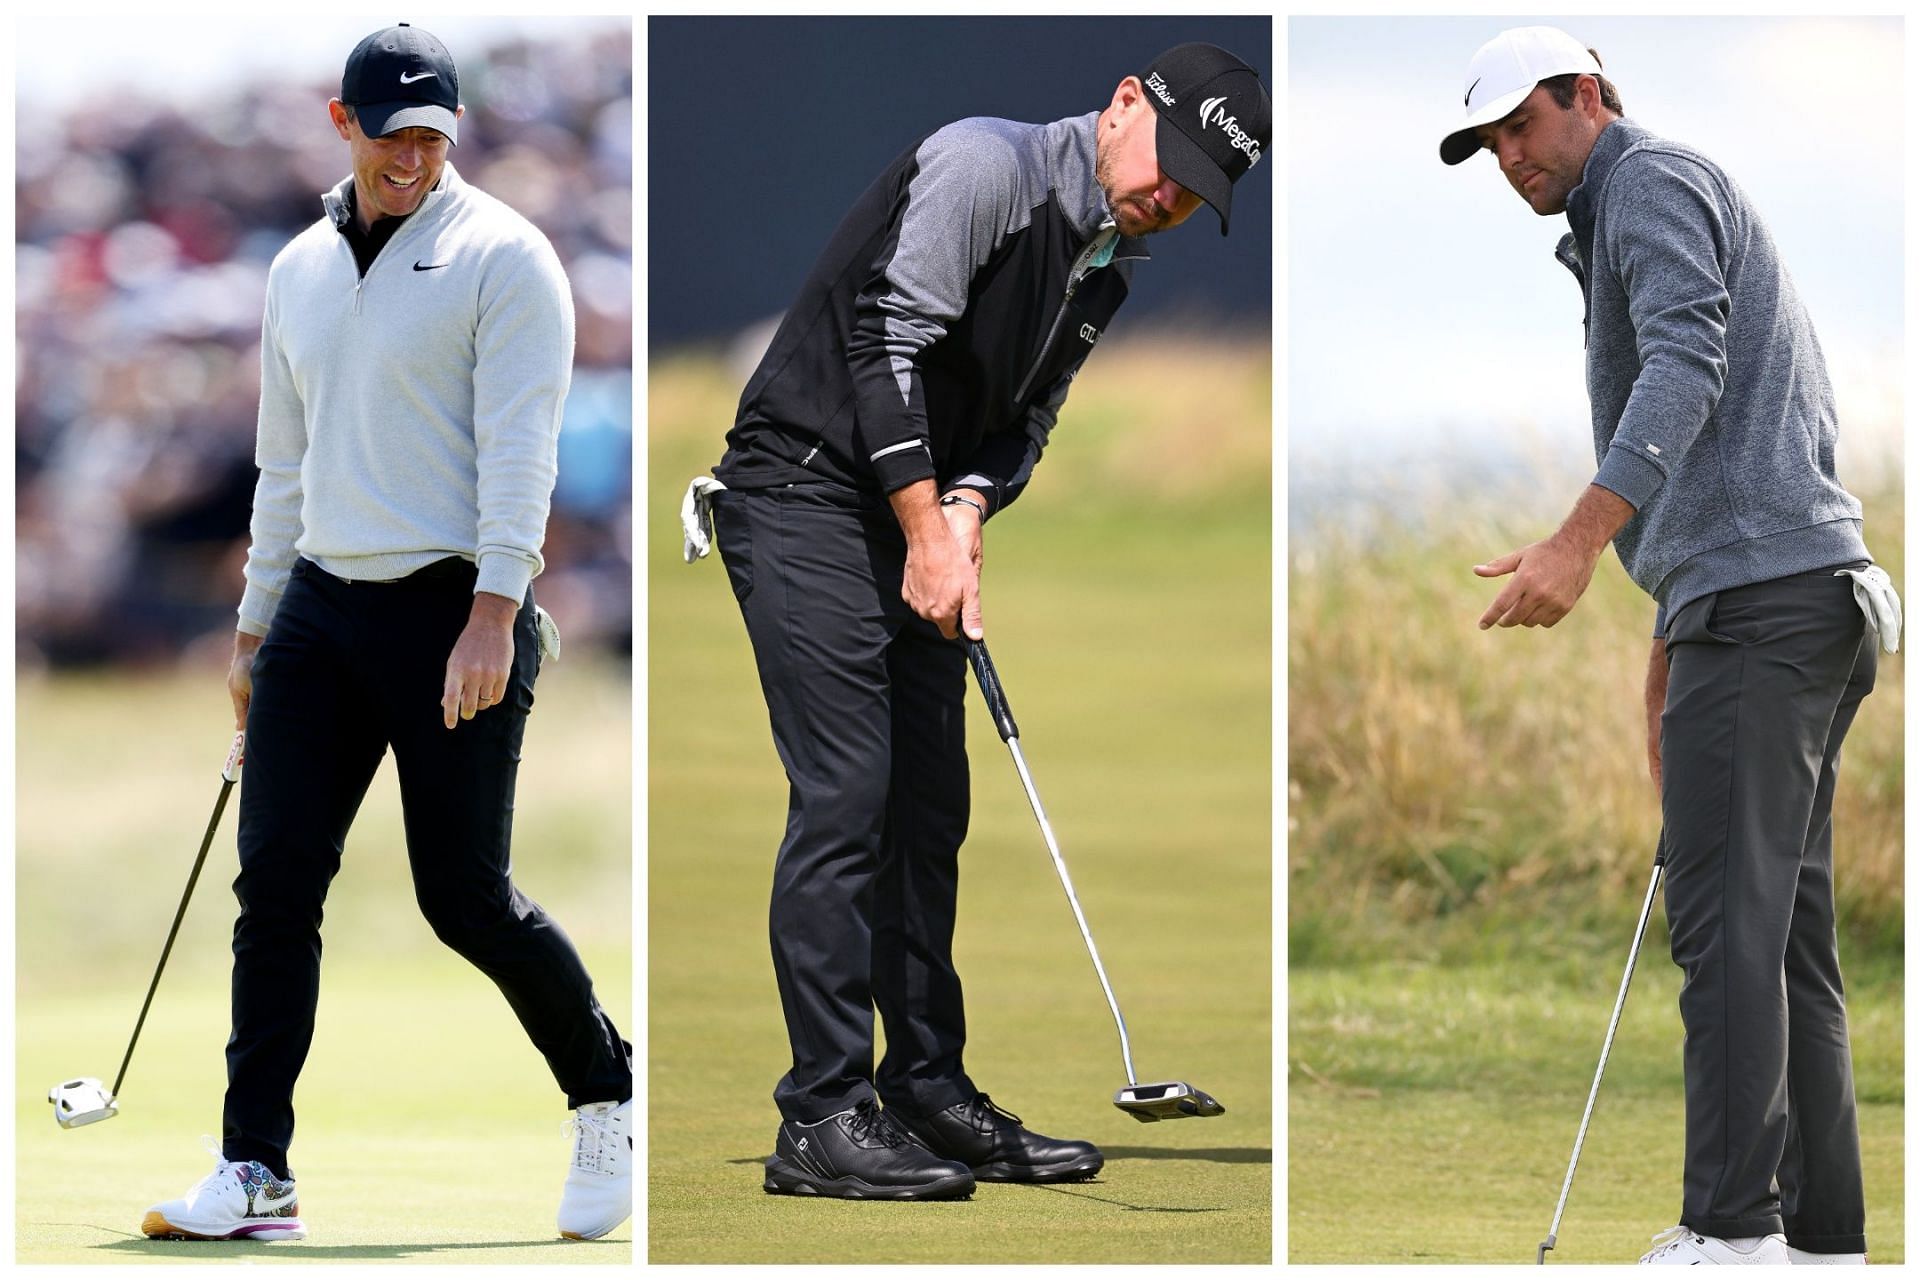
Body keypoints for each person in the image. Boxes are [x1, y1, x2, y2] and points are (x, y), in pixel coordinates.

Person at [682, 43, 1270, 1200]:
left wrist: (965, 510)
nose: (1173, 198)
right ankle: (821, 1114)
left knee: (928, 806)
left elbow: (1026, 422)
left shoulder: (1108, 265)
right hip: (798, 484)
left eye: (1201, 192)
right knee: (849, 792)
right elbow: (883, 341)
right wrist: (926, 525)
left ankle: (927, 1087)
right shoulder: (981, 166)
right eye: (1175, 164)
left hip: (907, 511)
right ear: (1122, 107)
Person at [141, 24, 632, 1243]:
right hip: (320, 604)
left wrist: (494, 613)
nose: (411, 156)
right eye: (391, 134)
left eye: (431, 136)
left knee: (463, 897)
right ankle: (257, 1170)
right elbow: (282, 465)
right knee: (277, 887)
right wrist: (255, 628)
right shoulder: (297, 269)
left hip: (456, 603)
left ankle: (607, 1089)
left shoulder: (504, 258)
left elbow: (521, 453)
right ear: (341, 123)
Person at [1441, 25, 1897, 1267]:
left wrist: (1579, 540)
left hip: (1769, 608)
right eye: (1489, 144)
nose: (1509, 158)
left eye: (1522, 126)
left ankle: (1731, 1232)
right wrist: (1668, 635)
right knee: (1786, 933)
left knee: (1727, 928)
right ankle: (1819, 1243)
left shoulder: (1644, 180)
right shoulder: (1637, 206)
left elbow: (1688, 364)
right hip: (1790, 599)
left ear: (1586, 96)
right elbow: (1731, 451)